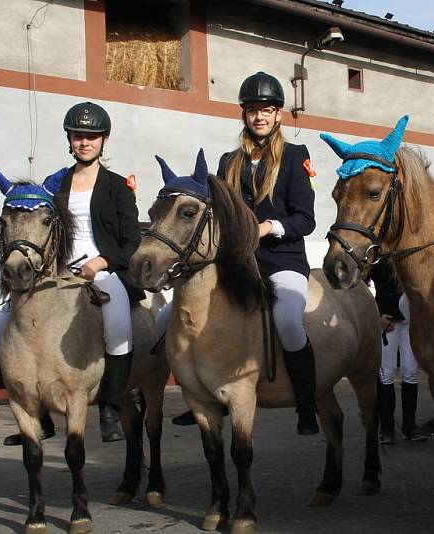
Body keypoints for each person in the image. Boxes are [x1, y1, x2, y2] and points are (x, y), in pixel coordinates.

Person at [164, 72, 318, 435]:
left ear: (279, 114)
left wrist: (267, 228)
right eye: (252, 110)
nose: (259, 117)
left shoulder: (296, 157)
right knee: (168, 321)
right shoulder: (227, 161)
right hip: (235, 263)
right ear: (244, 115)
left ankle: (307, 403)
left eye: (267, 110)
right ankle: (200, 393)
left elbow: (305, 219)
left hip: (282, 259)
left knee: (289, 321)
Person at [0, 101, 143, 444]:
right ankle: (39, 414)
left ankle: (110, 408)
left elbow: (132, 241)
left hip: (102, 272)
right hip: (54, 275)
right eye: (78, 136)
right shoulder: (54, 186)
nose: (84, 142)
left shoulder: (117, 187)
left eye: (92, 137)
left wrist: (100, 263)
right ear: (69, 139)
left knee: (118, 327)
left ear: (104, 140)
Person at [369, 262, 427, 444]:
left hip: (410, 318)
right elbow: (360, 285)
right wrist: (375, 315)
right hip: (386, 320)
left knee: (410, 371)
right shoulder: (375, 252)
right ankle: (386, 429)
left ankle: (410, 426)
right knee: (386, 372)